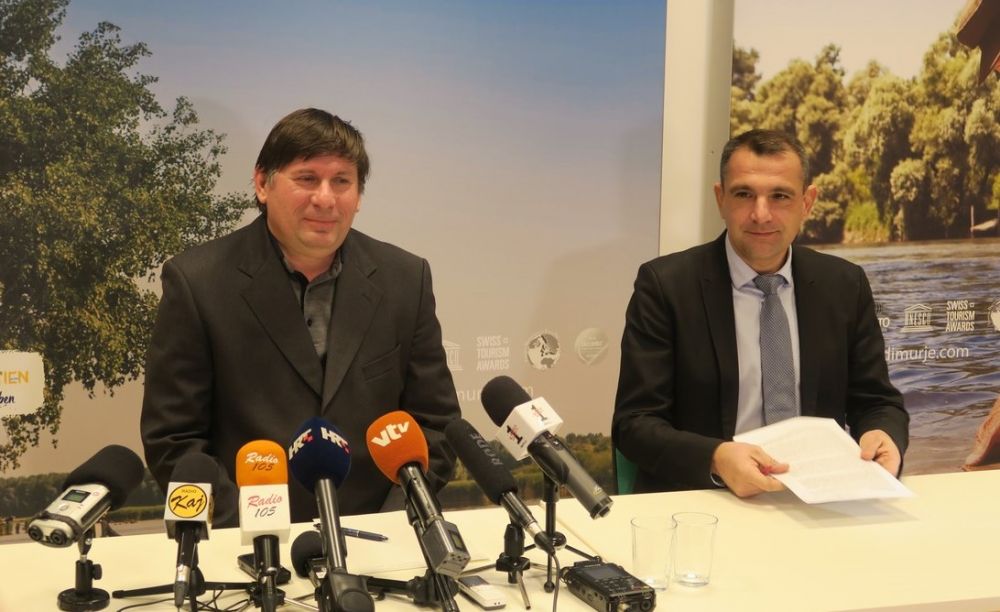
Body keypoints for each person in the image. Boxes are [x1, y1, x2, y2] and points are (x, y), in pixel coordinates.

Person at [141, 108, 461, 525]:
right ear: (262, 183)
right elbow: (174, 441)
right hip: (250, 544)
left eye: (341, 181)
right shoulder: (197, 282)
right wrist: (254, 530)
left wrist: (392, 523)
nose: (325, 199)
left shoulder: (405, 278)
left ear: (359, 196)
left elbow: (436, 426)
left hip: (382, 538)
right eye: (307, 178)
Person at [612, 129, 908, 498]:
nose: (761, 214)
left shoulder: (844, 284)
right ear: (720, 199)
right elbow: (635, 424)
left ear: (807, 202)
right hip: (704, 499)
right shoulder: (665, 286)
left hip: (818, 498)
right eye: (744, 194)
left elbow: (877, 402)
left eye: (780, 196)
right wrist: (716, 458)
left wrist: (883, 434)